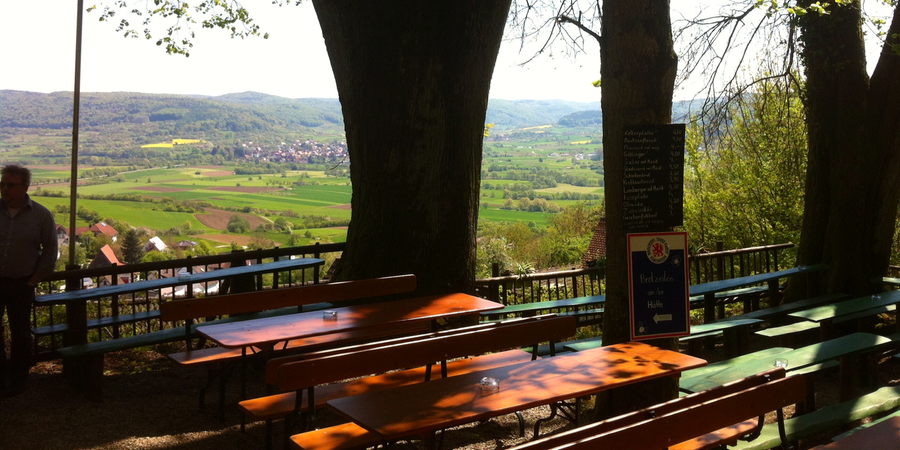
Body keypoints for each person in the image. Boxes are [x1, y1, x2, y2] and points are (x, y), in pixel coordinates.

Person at [0, 164, 57, 396]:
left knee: (21, 333)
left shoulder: (41, 216)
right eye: (2, 184)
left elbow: (51, 250)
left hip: (22, 283)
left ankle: (18, 380)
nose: (4, 189)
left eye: (10, 185)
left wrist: (33, 280)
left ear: (25, 187)